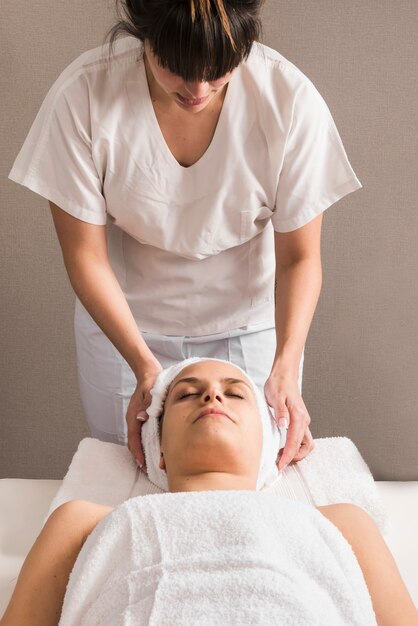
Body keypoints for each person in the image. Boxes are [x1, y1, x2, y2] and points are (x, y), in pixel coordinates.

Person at [8, 0, 363, 471]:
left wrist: (285, 367)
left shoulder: (287, 99)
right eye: (175, 68)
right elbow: (85, 257)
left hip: (251, 325)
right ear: (145, 38)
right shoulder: (85, 95)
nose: (197, 88)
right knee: (134, 474)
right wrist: (143, 367)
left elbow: (300, 258)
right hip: (126, 326)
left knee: (252, 475)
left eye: (219, 70)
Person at [1, 359, 416, 625]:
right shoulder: (82, 521)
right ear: (158, 450)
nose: (212, 395)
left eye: (235, 393)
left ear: (268, 446)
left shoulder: (342, 520)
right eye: (185, 394)